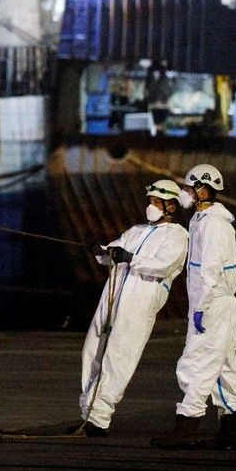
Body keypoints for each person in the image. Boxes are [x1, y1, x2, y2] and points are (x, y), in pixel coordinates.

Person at [76, 179, 188, 436]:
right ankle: (88, 413)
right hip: (112, 297)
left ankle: (99, 419)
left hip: (139, 302)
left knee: (119, 356)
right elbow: (113, 253)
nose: (151, 206)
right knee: (93, 350)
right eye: (150, 201)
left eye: (157, 202)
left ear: (171, 206)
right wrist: (99, 250)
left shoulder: (178, 236)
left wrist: (130, 258)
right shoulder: (135, 230)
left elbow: (163, 265)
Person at [152, 164, 236, 450]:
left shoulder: (213, 224)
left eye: (189, 188)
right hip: (215, 303)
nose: (185, 193)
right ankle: (230, 432)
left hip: (212, 303)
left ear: (203, 190)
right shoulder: (202, 219)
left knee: (195, 365)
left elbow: (210, 271)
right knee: (224, 368)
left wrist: (201, 308)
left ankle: (186, 425)